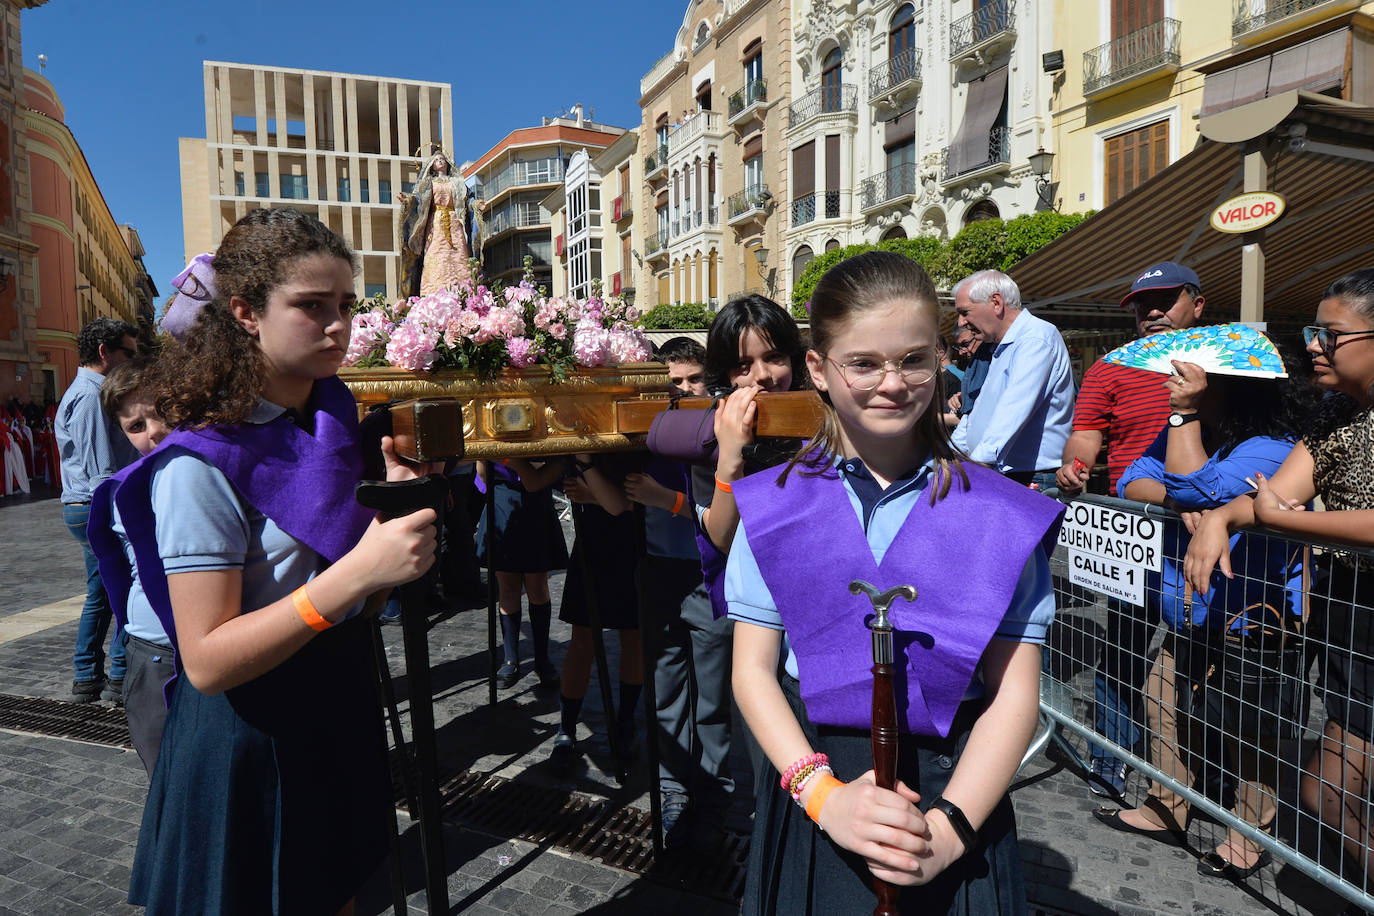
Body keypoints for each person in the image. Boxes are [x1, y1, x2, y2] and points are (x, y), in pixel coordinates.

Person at [91, 208, 437, 914]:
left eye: (345, 305)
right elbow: (210, 663)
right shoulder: (201, 463)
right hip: (249, 736)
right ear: (245, 313)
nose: (338, 325)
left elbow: (353, 599)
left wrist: (388, 536)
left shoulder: (331, 426)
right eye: (311, 306)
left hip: (332, 710)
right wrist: (360, 571)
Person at [727, 251, 1062, 914]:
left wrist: (948, 829)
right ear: (818, 370)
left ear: (940, 358)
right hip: (821, 786)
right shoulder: (774, 503)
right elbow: (752, 672)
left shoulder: (1000, 512)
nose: (892, 383)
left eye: (913, 359)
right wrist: (824, 798)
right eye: (864, 363)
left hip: (955, 791)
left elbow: (1015, 693)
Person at [1185, 267, 1374, 896]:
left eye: (1330, 333)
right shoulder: (1335, 416)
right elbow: (1270, 498)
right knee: (1326, 791)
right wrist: (1222, 516)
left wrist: (1289, 520)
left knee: (1326, 788)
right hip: (1350, 617)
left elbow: (1283, 509)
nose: (1313, 345)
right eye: (1310, 331)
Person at [1091, 353, 1309, 882]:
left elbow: (1200, 490)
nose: (1176, 387)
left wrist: (1184, 427)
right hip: (1195, 610)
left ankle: (1247, 837)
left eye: (1192, 383)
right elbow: (1131, 480)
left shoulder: (1272, 447)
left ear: (1229, 389)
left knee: (1249, 732)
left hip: (1251, 618)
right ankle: (1167, 808)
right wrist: (1181, 491)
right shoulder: (1196, 435)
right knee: (1162, 699)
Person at [1055, 260, 1207, 799]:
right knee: (1123, 646)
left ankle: (1200, 774)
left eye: (1166, 300)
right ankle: (1111, 758)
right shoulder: (1110, 368)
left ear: (1197, 305)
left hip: (1209, 529)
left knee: (1206, 656)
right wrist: (1074, 466)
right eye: (1143, 305)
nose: (1154, 312)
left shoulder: (1226, 364)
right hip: (1135, 529)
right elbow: (1086, 435)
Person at [626, 336, 734, 850]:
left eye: (694, 380)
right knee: (667, 689)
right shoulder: (648, 428)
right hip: (660, 571)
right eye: (675, 381)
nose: (685, 389)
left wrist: (665, 500)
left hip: (709, 572)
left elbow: (727, 522)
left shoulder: (722, 431)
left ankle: (713, 794)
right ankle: (674, 791)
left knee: (711, 697)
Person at [89, 356, 173, 776]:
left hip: (211, 643)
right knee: (162, 772)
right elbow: (116, 570)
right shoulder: (121, 491)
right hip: (152, 648)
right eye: (135, 427)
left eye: (161, 412)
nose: (153, 431)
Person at [55, 317, 140, 703]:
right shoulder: (91, 395)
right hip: (96, 504)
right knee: (123, 586)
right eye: (129, 353)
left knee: (103, 592)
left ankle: (88, 675)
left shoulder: (89, 391)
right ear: (104, 352)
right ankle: (117, 674)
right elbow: (101, 469)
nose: (133, 360)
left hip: (88, 504)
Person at [551, 454, 644, 773]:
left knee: (634, 638)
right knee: (582, 641)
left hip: (633, 541)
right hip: (593, 541)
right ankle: (566, 726)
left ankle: (626, 720)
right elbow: (566, 483)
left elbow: (640, 498)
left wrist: (595, 495)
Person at [951, 270, 1074, 487]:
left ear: (996, 302)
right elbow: (980, 411)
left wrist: (973, 467)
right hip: (1008, 473)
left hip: (1029, 477)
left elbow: (1013, 409)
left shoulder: (1035, 338)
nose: (961, 322)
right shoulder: (1002, 345)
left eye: (965, 312)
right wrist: (950, 456)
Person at [476, 456, 568, 688]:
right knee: (507, 586)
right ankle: (510, 658)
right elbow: (483, 475)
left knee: (537, 585)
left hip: (535, 502)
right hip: (501, 500)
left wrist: (509, 458)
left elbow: (536, 475)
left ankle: (542, 658)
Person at [397, 150, 480, 298]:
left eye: (442, 159)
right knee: (436, 253)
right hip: (436, 222)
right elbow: (419, 200)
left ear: (447, 163)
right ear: (432, 166)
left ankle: (463, 290)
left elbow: (468, 200)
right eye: (436, 160)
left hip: (455, 222)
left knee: (459, 253)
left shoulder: (457, 183)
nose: (440, 161)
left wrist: (476, 205)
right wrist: (408, 200)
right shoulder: (429, 183)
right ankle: (433, 292)